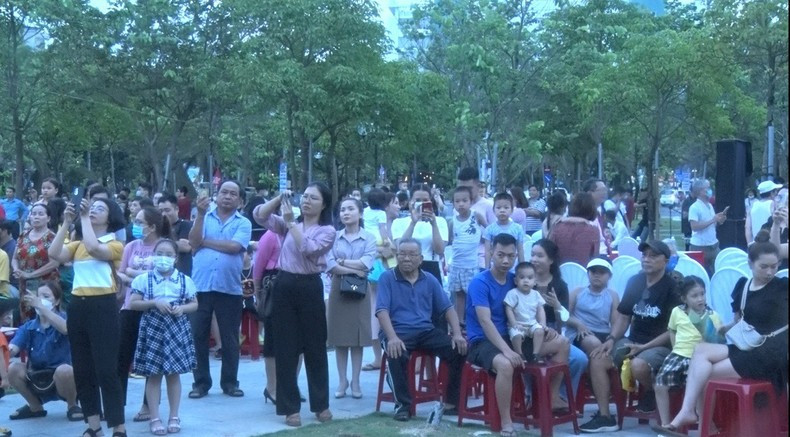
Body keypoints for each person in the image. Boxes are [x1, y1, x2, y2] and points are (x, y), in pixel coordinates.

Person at [665, 237, 788, 434]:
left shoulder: (781, 287)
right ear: (750, 264)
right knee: (700, 351)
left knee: (701, 374)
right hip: (748, 346)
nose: (770, 272)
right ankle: (693, 414)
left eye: (774, 266)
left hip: (769, 355)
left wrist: (776, 227)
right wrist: (722, 328)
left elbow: (777, 250)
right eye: (763, 266)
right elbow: (740, 321)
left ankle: (701, 421)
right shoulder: (744, 286)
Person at [466, 234, 565, 436]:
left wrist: (543, 327)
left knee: (562, 343)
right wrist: (506, 351)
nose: (505, 261)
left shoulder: (515, 279)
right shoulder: (480, 282)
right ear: (491, 252)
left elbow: (533, 305)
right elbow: (485, 322)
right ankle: (506, 422)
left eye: (511, 256)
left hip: (514, 337)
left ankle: (549, 400)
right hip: (482, 341)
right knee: (505, 364)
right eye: (501, 255)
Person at [253, 182, 335, 427]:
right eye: (305, 196)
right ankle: (290, 408)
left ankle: (321, 405)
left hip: (310, 285)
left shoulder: (327, 230)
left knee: (315, 346)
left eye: (313, 198)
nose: (307, 201)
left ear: (324, 204)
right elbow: (260, 215)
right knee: (285, 347)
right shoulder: (289, 223)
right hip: (285, 284)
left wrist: (290, 223)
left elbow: (309, 249)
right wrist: (279, 198)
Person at [48, 196, 128, 437]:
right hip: (79, 306)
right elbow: (54, 253)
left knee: (106, 370)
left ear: (110, 217)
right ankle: (93, 426)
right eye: (91, 208)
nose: (93, 211)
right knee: (83, 369)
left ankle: (118, 427)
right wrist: (65, 222)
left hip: (103, 306)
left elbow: (95, 249)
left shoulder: (115, 243)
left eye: (99, 209)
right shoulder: (78, 243)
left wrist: (83, 218)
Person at [587, 240, 679, 423]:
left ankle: (652, 392)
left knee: (638, 365)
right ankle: (605, 416)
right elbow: (623, 317)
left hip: (662, 345)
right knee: (598, 358)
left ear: (666, 261)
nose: (646, 259)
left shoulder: (672, 287)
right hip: (634, 340)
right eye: (644, 255)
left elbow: (674, 330)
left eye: (653, 256)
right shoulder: (635, 282)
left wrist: (644, 346)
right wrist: (612, 339)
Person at [376, 238, 467, 421]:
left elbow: (448, 308)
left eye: (412, 254)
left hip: (425, 331)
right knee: (396, 352)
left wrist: (457, 334)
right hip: (396, 330)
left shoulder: (429, 279)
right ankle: (403, 406)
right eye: (402, 254)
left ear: (420, 258)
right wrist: (392, 337)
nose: (406, 258)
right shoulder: (387, 277)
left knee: (459, 350)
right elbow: (381, 311)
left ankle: (450, 402)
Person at [188, 180, 251, 399]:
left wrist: (205, 242)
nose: (228, 196)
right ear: (217, 195)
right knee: (198, 336)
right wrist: (201, 215)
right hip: (201, 286)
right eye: (224, 192)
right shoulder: (203, 216)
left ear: (240, 200)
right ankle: (200, 383)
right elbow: (193, 242)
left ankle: (230, 383)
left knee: (230, 338)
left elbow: (235, 247)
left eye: (233, 194)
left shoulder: (243, 223)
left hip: (229, 288)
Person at [129, 239, 197, 435]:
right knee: (154, 375)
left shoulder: (184, 280)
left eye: (168, 255)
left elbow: (194, 304)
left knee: (173, 374)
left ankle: (174, 415)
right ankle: (154, 417)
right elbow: (134, 302)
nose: (163, 258)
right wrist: (154, 303)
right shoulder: (144, 279)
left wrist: (182, 308)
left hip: (176, 327)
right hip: (153, 327)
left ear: (175, 259)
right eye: (159, 253)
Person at [116, 206, 170, 421]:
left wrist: (132, 274)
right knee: (122, 356)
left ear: (153, 226)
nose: (135, 225)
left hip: (154, 309)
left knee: (151, 359)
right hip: (130, 306)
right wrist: (133, 276)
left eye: (140, 222)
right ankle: (116, 403)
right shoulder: (131, 246)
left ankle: (149, 406)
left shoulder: (163, 247)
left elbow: (162, 274)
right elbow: (120, 272)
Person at [652, 276, 723, 429]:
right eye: (694, 295)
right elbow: (672, 331)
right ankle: (666, 424)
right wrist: (675, 348)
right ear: (684, 298)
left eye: (702, 294)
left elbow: (716, 340)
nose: (700, 299)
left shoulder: (712, 316)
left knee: (702, 388)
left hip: (699, 359)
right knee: (660, 384)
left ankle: (705, 423)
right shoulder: (677, 312)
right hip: (678, 355)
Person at [7, 281, 81, 422]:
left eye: (46, 296)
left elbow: (66, 329)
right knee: (13, 368)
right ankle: (35, 407)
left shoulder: (65, 318)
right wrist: (5, 350)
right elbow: (12, 348)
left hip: (63, 378)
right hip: (36, 376)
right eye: (38, 297)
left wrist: (41, 306)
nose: (39, 300)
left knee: (65, 370)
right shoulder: (28, 326)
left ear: (57, 301)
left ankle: (72, 405)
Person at [326, 198, 377, 399]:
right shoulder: (334, 237)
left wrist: (343, 262)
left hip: (360, 290)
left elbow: (367, 263)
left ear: (360, 213)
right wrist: (349, 267)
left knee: (357, 338)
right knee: (339, 338)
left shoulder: (369, 238)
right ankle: (342, 380)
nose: (346, 213)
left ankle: (356, 381)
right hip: (339, 288)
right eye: (342, 210)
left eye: (351, 209)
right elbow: (330, 264)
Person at [530, 239, 580, 408]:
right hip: (531, 331)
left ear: (551, 260)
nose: (535, 259)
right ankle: (532, 396)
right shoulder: (524, 279)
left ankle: (560, 395)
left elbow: (565, 318)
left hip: (555, 332)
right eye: (533, 255)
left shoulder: (559, 285)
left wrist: (557, 306)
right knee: (533, 359)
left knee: (580, 360)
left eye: (540, 256)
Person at [390, 184, 448, 282]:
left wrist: (433, 224)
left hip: (431, 267)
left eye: (425, 200)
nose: (421, 203)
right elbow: (400, 247)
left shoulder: (440, 221)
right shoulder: (399, 222)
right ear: (410, 202)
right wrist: (413, 222)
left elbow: (439, 250)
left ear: (431, 201)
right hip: (406, 267)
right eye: (417, 200)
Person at [447, 186, 485, 326]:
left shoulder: (476, 216)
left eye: (464, 200)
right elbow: (451, 241)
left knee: (472, 295)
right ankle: (460, 322)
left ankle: (473, 321)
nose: (461, 204)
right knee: (459, 295)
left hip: (471, 264)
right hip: (457, 264)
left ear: (471, 201)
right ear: (453, 203)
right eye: (457, 201)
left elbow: (489, 230)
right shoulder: (452, 221)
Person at [253, 226, 282, 404]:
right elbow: (259, 265)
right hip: (273, 285)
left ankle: (290, 385)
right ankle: (272, 387)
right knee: (272, 339)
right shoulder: (272, 235)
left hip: (297, 284)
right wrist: (258, 294)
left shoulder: (304, 232)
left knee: (299, 342)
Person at [11, 203, 59, 306]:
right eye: (33, 214)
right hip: (24, 284)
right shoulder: (23, 235)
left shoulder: (53, 237)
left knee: (44, 315)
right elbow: (15, 258)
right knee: (26, 314)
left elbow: (55, 263)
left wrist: (30, 275)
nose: (36, 216)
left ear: (48, 218)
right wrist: (16, 269)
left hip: (46, 285)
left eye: (41, 214)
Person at [504, 262, 546, 360]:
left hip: (532, 323)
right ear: (515, 280)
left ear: (535, 281)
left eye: (530, 278)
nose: (526, 281)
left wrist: (542, 322)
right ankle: (519, 354)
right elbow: (508, 308)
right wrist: (514, 323)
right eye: (522, 278)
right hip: (518, 324)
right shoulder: (513, 293)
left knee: (539, 331)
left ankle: (535, 354)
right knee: (516, 335)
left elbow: (540, 309)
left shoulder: (536, 294)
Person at [548, 192, 600, 266]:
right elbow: (595, 259)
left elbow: (549, 252)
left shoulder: (557, 227)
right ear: (592, 208)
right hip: (583, 274)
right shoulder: (593, 231)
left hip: (559, 273)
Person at [457, 167, 493, 269]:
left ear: (478, 185)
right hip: (460, 260)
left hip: (481, 260)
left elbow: (496, 236)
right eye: (461, 189)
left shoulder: (489, 206)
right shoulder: (457, 207)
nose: (465, 192)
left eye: (469, 189)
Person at [688, 179, 726, 276]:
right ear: (700, 191)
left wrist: (719, 220)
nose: (710, 190)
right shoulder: (694, 207)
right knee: (700, 274)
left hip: (714, 245)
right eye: (708, 188)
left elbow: (712, 225)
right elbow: (694, 226)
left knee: (719, 271)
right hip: (700, 247)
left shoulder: (709, 205)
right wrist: (713, 220)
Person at [483, 192, 525, 268]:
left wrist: (522, 268)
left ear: (512, 210)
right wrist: (487, 268)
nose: (502, 210)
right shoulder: (489, 229)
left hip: (512, 268)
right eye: (498, 208)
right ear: (493, 210)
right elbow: (487, 251)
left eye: (506, 208)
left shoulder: (518, 228)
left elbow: (520, 250)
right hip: (495, 268)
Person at [156, 194, 193, 276]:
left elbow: (186, 247)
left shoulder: (185, 225)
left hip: (181, 273)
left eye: (167, 210)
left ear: (176, 209)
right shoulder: (157, 227)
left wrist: (158, 242)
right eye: (161, 211)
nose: (163, 214)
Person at [746, 180, 782, 244]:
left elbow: (747, 228)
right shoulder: (773, 204)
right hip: (771, 244)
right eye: (775, 191)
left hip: (756, 244)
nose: (777, 193)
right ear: (772, 193)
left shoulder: (753, 206)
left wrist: (750, 244)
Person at [582, 178, 611, 256]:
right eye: (601, 190)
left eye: (605, 190)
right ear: (589, 193)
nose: (605, 193)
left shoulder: (599, 211)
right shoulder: (584, 214)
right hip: (596, 256)